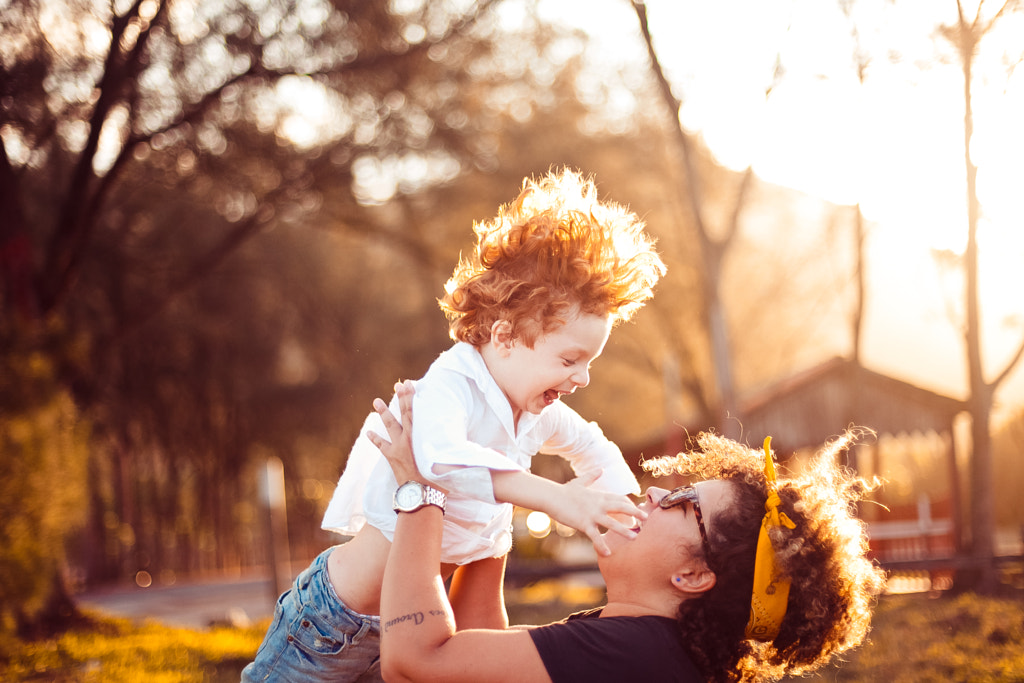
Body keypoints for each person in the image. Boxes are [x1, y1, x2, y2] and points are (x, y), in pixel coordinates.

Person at [242, 168, 666, 682]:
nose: (583, 377)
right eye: (570, 359)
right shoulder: (449, 386)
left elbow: (591, 446)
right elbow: (439, 462)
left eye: (589, 362)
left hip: (415, 628)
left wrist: (626, 515)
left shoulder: (533, 409)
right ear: (506, 337)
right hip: (331, 628)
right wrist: (560, 498)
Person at [374, 381, 886, 683]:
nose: (656, 494)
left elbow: (416, 662)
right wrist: (496, 481)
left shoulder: (632, 652)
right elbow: (475, 651)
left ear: (692, 574)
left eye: (683, 503)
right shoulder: (653, 646)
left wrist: (421, 491)